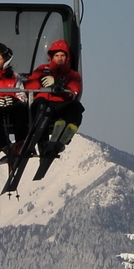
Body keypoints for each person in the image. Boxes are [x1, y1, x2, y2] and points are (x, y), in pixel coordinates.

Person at [23, 39, 84, 178]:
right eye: (56, 56)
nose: (60, 59)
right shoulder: (42, 69)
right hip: (44, 102)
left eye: (62, 56)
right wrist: (41, 81)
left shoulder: (72, 75)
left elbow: (74, 90)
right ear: (51, 56)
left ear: (67, 57)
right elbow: (29, 86)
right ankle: (43, 142)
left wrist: (59, 83)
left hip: (61, 103)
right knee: (41, 108)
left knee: (76, 108)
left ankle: (63, 136)